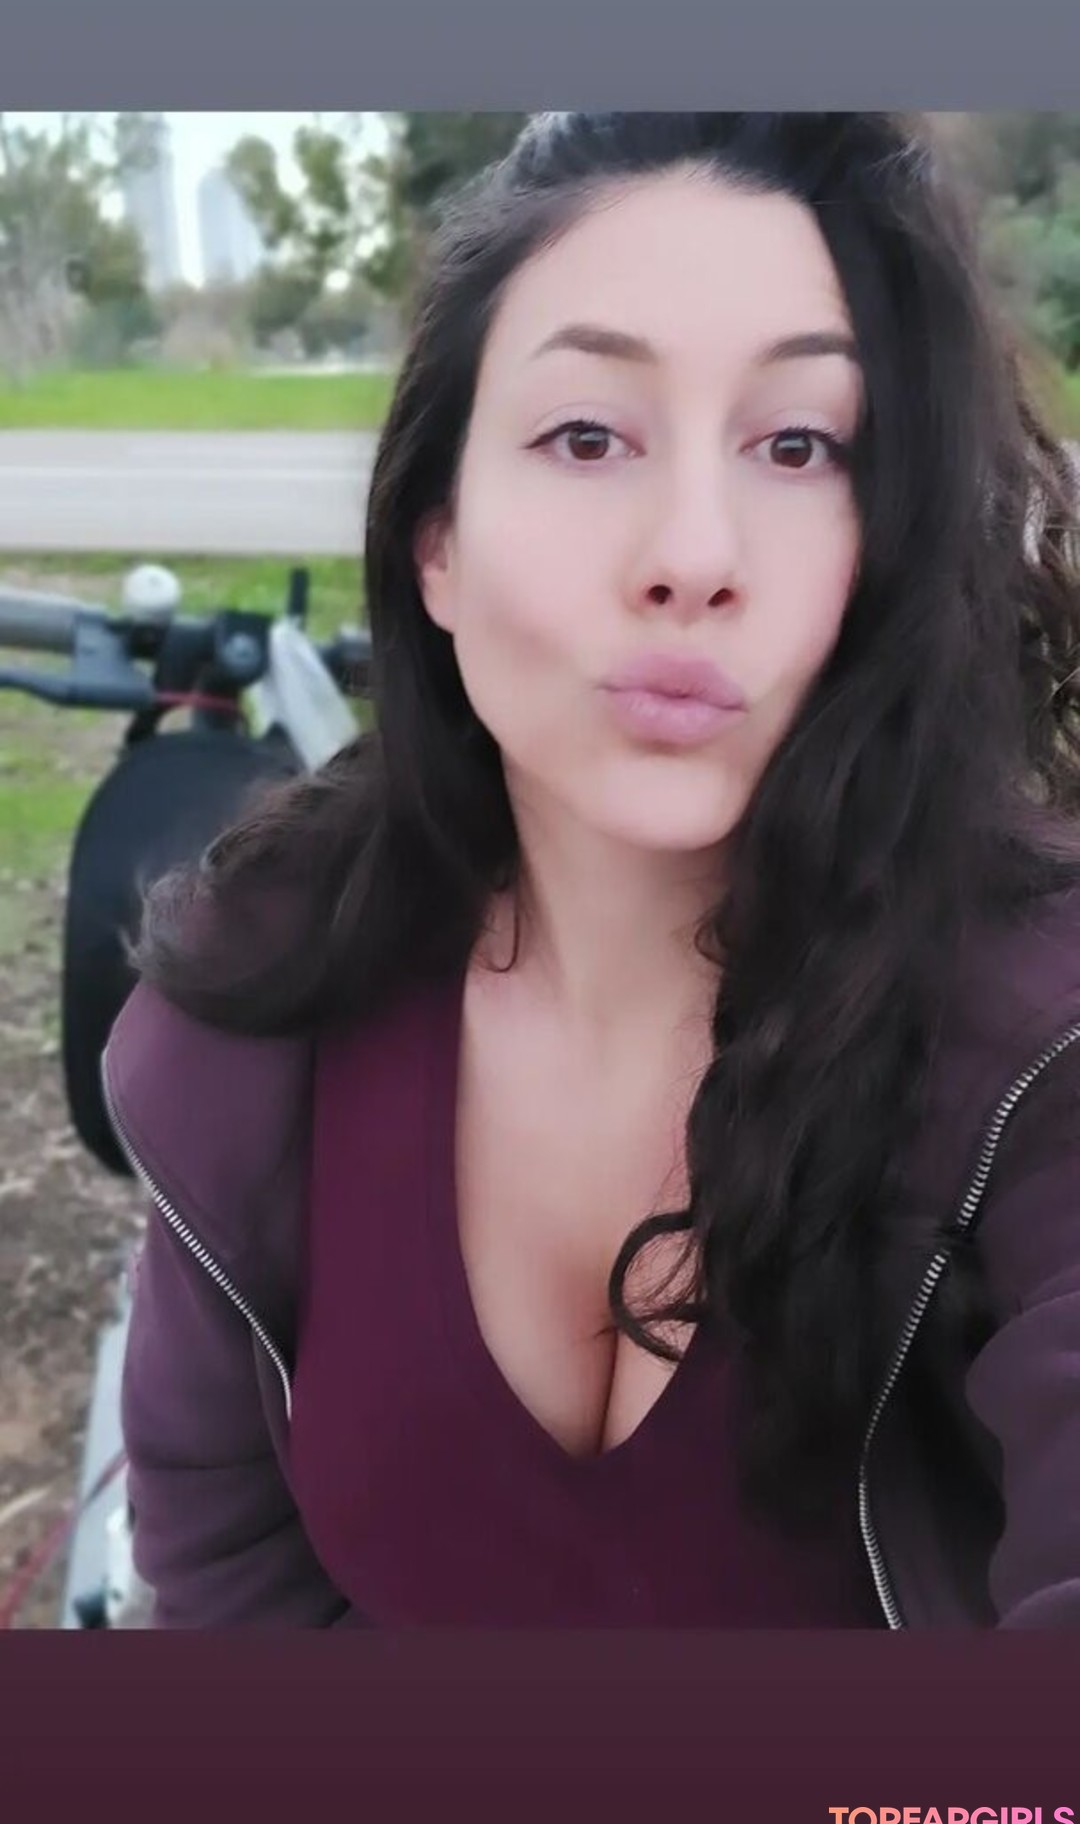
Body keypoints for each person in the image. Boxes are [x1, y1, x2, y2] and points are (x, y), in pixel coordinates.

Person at [105, 111, 1080, 1630]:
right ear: (436, 539)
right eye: (587, 436)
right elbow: (233, 1596)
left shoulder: (1043, 1053)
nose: (694, 554)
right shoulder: (257, 1010)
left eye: (800, 445)